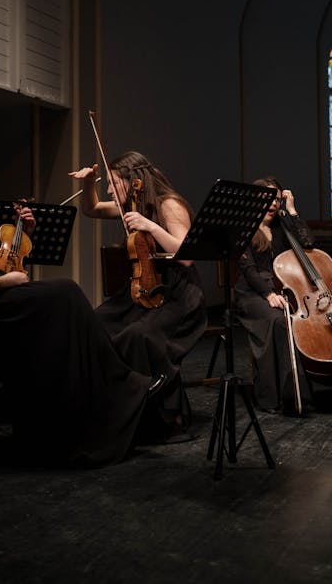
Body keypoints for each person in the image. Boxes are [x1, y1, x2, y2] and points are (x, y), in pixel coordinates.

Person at [0, 144, 166, 468]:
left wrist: (27, 236)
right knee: (64, 293)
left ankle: (97, 403)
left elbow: (5, 266)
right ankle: (123, 387)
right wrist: (3, 284)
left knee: (65, 303)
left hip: (0, 305)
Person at [69, 151, 208, 444]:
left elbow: (186, 257)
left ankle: (162, 415)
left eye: (113, 183)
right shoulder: (129, 205)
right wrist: (89, 183)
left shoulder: (169, 205)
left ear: (133, 180)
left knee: (140, 335)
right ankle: (114, 408)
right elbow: (92, 208)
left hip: (178, 293)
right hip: (143, 287)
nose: (109, 189)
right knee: (97, 323)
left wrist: (150, 225)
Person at [234, 176, 315, 416]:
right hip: (252, 293)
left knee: (293, 322)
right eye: (267, 198)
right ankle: (270, 396)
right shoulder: (243, 228)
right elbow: (248, 271)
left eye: (277, 199)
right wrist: (267, 293)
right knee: (277, 321)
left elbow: (308, 243)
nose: (273, 204)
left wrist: (291, 210)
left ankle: (294, 396)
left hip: (282, 290)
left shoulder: (282, 226)